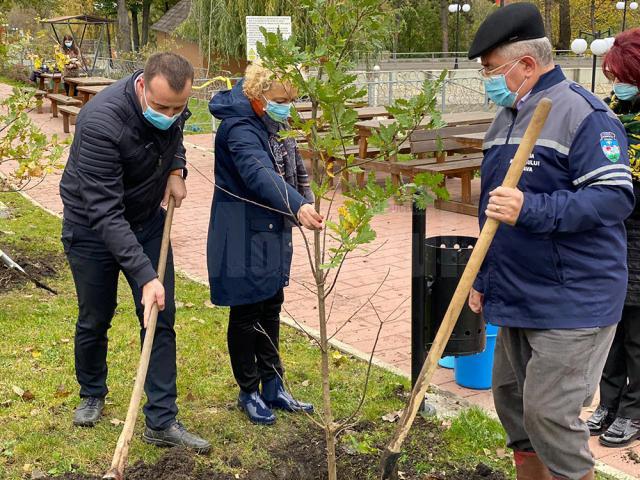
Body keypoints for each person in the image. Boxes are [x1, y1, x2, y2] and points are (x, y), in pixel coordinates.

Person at [466, 3, 634, 479]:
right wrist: (483, 276)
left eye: (491, 69)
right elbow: (492, 210)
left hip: (572, 297)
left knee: (550, 416)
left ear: (525, 64)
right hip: (516, 290)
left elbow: (613, 199)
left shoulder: (584, 115)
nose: (487, 79)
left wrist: (532, 210)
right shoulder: (506, 117)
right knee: (515, 406)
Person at [59, 52, 210, 453]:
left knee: (160, 318)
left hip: (146, 220)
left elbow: (174, 137)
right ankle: (92, 391)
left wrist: (177, 169)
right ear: (142, 86)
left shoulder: (172, 104)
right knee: (96, 315)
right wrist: (146, 276)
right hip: (92, 227)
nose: (171, 114)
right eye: (162, 107)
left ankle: (161, 420)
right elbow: (105, 212)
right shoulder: (100, 123)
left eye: (179, 108)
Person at [207, 63, 323, 425]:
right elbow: (259, 173)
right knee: (246, 311)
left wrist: (301, 199)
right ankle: (249, 390)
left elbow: (291, 168)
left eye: (291, 99)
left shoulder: (274, 124)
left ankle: (273, 383)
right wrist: (298, 205)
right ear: (257, 97)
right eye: (279, 100)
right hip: (240, 229)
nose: (286, 107)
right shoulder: (239, 127)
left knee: (271, 302)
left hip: (269, 225)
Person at [585, 28, 640, 448]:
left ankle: (634, 410)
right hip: (611, 240)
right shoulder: (610, 115)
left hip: (637, 238)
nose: (617, 85)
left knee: (637, 334)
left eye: (625, 77)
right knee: (612, 328)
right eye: (613, 75)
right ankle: (608, 402)